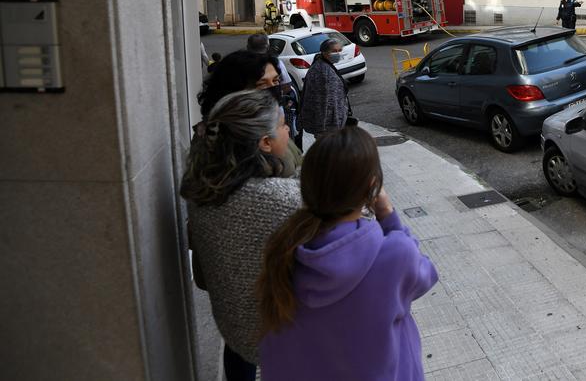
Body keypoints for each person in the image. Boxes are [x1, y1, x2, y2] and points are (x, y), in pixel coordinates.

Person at [257, 127, 439, 381]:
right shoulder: (394, 254)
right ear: (372, 186)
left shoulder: (284, 249)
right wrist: (388, 214)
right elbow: (426, 275)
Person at [181, 90, 302, 381]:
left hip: (234, 327)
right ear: (265, 143)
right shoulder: (282, 199)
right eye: (283, 124)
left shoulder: (204, 191)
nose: (288, 129)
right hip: (283, 335)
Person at [248, 34, 303, 148]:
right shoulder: (275, 63)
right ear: (268, 47)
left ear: (248, 47)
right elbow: (287, 86)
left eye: (275, 81)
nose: (271, 86)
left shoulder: (241, 65)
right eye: (261, 84)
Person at [298, 38, 349, 141]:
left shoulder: (324, 65)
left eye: (339, 50)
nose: (338, 54)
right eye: (334, 51)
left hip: (330, 124)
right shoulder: (323, 71)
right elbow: (323, 103)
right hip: (328, 127)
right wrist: (323, 129)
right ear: (325, 53)